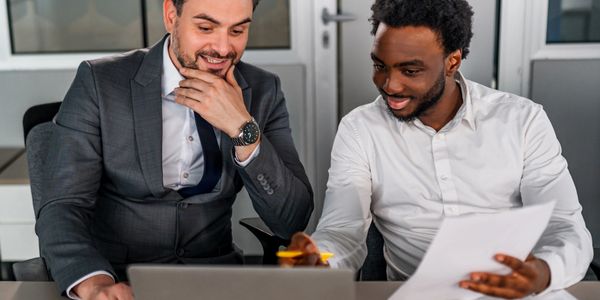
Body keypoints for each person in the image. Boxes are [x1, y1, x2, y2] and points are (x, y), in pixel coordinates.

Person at [281, 0, 593, 298]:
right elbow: (342, 231)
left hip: (511, 294)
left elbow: (565, 226)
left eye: (410, 70)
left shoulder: (522, 121)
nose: (390, 84)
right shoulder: (359, 129)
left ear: (452, 62)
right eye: (380, 65)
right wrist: (319, 260)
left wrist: (544, 271)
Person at [36, 0, 314, 299]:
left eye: (238, 30)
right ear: (172, 16)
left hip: (215, 278)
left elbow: (292, 220)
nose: (222, 49)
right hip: (117, 277)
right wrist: (95, 283)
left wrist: (242, 128)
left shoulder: (262, 90)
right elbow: (63, 206)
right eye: (206, 27)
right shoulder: (101, 82)